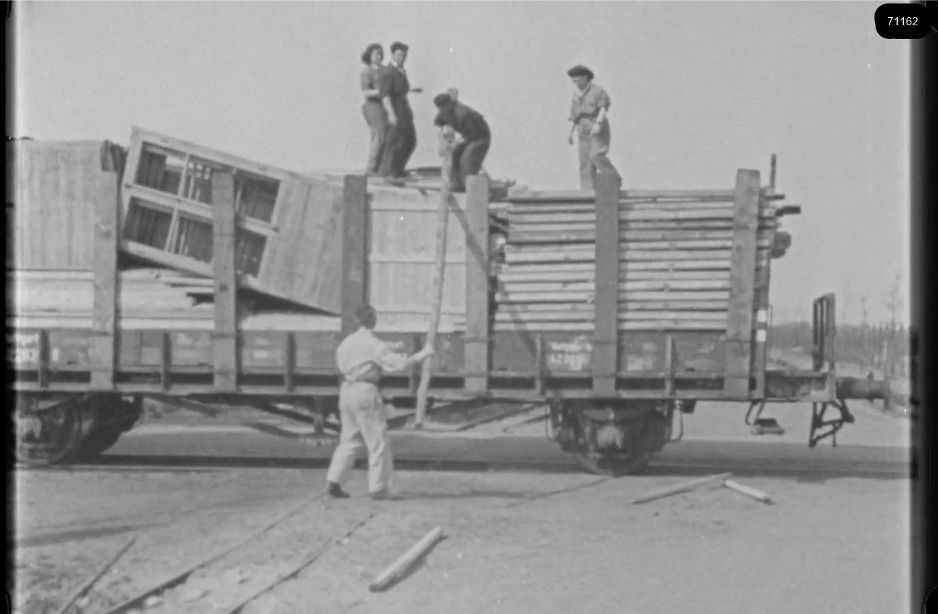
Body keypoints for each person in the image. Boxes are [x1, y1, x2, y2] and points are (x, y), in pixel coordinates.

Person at [325, 304, 434, 500]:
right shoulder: (375, 345)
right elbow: (398, 364)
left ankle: (334, 481)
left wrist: (393, 346)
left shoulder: (348, 343)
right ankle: (378, 488)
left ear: (358, 321)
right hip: (365, 390)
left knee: (349, 441)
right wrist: (422, 354)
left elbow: (368, 351)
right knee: (378, 442)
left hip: (347, 389)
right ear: (373, 321)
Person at [567, 64, 621, 191]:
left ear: (585, 77)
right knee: (585, 162)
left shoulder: (597, 91)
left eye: (578, 80)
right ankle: (587, 191)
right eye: (574, 81)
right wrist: (571, 132)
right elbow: (576, 115)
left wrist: (598, 123)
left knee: (596, 155)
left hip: (596, 124)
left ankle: (613, 178)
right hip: (582, 127)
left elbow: (603, 108)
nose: (576, 83)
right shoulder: (576, 94)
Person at [377, 41, 423, 185]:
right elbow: (385, 95)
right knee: (395, 141)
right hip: (395, 108)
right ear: (392, 55)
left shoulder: (400, 70)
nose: (401, 58)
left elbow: (399, 88)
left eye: (403, 55)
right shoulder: (388, 72)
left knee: (410, 140)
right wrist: (391, 114)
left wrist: (412, 90)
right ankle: (388, 173)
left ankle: (398, 169)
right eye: (398, 55)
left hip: (404, 108)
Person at [432, 92, 491, 192]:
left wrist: (457, 143)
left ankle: (470, 189)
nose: (442, 111)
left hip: (480, 137)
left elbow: (473, 135)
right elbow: (438, 122)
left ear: (449, 105)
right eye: (440, 109)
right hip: (469, 137)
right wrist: (445, 138)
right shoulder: (446, 112)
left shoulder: (463, 114)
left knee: (467, 161)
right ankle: (458, 185)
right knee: (454, 156)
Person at [360, 43, 387, 176]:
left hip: (384, 106)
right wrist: (378, 92)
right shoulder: (367, 71)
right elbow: (365, 92)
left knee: (385, 136)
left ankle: (379, 167)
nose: (380, 56)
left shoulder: (384, 70)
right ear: (369, 56)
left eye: (381, 53)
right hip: (372, 106)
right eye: (377, 54)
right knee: (378, 135)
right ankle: (371, 168)